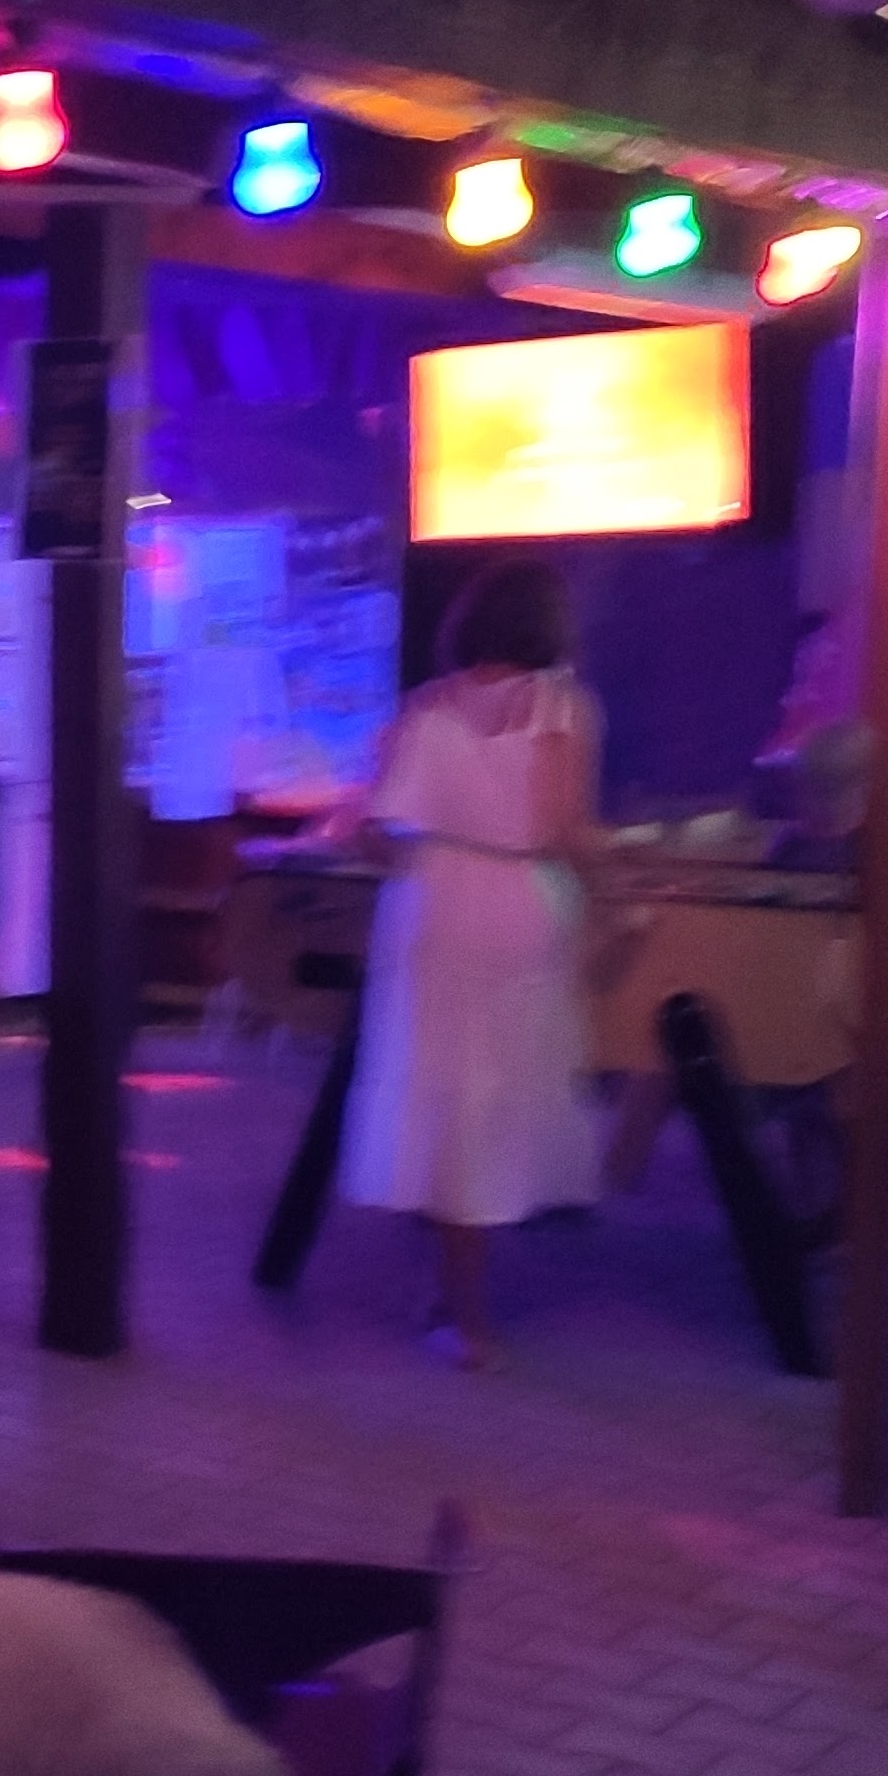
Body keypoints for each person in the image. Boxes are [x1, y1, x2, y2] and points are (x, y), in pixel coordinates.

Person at [341, 556, 603, 1369]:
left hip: (430, 906)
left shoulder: (424, 706)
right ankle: (465, 1307)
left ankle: (453, 1294)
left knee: (438, 1092)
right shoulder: (562, 707)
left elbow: (368, 829)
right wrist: (621, 893)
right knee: (496, 1099)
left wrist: (419, 855)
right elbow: (565, 828)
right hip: (519, 903)